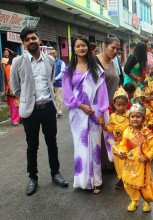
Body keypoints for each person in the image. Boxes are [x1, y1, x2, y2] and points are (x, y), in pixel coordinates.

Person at [10, 27, 68, 196]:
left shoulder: (50, 61)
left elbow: (50, 81)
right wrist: (28, 100)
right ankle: (33, 178)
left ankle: (55, 173)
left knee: (52, 142)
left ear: (39, 40)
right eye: (27, 40)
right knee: (32, 146)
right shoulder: (18, 62)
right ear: (24, 44)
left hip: (48, 108)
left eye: (33, 38)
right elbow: (15, 88)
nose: (31, 41)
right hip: (31, 111)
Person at [62, 35, 114, 194]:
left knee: (95, 147)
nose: (81, 48)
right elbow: (67, 94)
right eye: (78, 46)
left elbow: (102, 92)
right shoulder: (68, 70)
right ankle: (82, 180)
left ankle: (96, 181)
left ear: (88, 48)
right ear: (74, 49)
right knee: (81, 146)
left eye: (84, 45)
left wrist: (101, 111)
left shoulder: (96, 69)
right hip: (77, 114)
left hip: (94, 113)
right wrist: (81, 106)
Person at [118, 103, 153, 212]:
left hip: (143, 163)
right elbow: (123, 145)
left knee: (144, 184)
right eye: (133, 116)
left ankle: (146, 201)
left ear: (143, 118)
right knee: (129, 182)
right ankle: (134, 201)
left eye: (138, 116)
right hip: (130, 163)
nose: (135, 119)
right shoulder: (127, 132)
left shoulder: (147, 133)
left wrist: (147, 157)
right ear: (129, 118)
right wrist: (122, 152)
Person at [102, 87, 129, 189]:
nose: (121, 107)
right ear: (114, 104)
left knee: (126, 162)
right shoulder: (112, 116)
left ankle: (127, 178)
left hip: (127, 144)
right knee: (118, 164)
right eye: (118, 105)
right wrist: (104, 126)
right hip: (117, 145)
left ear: (127, 104)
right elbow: (110, 128)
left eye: (123, 105)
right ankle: (121, 178)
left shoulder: (130, 115)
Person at [96, 37, 122, 108]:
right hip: (98, 107)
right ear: (105, 46)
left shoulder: (114, 62)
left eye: (117, 49)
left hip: (112, 106)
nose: (115, 51)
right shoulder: (94, 62)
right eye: (113, 47)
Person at [4, 53, 21, 125]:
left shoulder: (15, 66)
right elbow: (9, 79)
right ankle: (14, 120)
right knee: (14, 106)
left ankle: (19, 118)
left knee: (18, 105)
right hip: (12, 90)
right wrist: (11, 89)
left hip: (18, 89)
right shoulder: (8, 67)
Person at [49, 49, 66, 118]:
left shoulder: (61, 62)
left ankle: (59, 112)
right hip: (50, 84)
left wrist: (55, 78)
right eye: (51, 53)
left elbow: (62, 72)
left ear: (57, 54)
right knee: (51, 99)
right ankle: (53, 112)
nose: (52, 55)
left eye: (53, 53)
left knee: (58, 99)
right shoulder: (48, 62)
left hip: (58, 83)